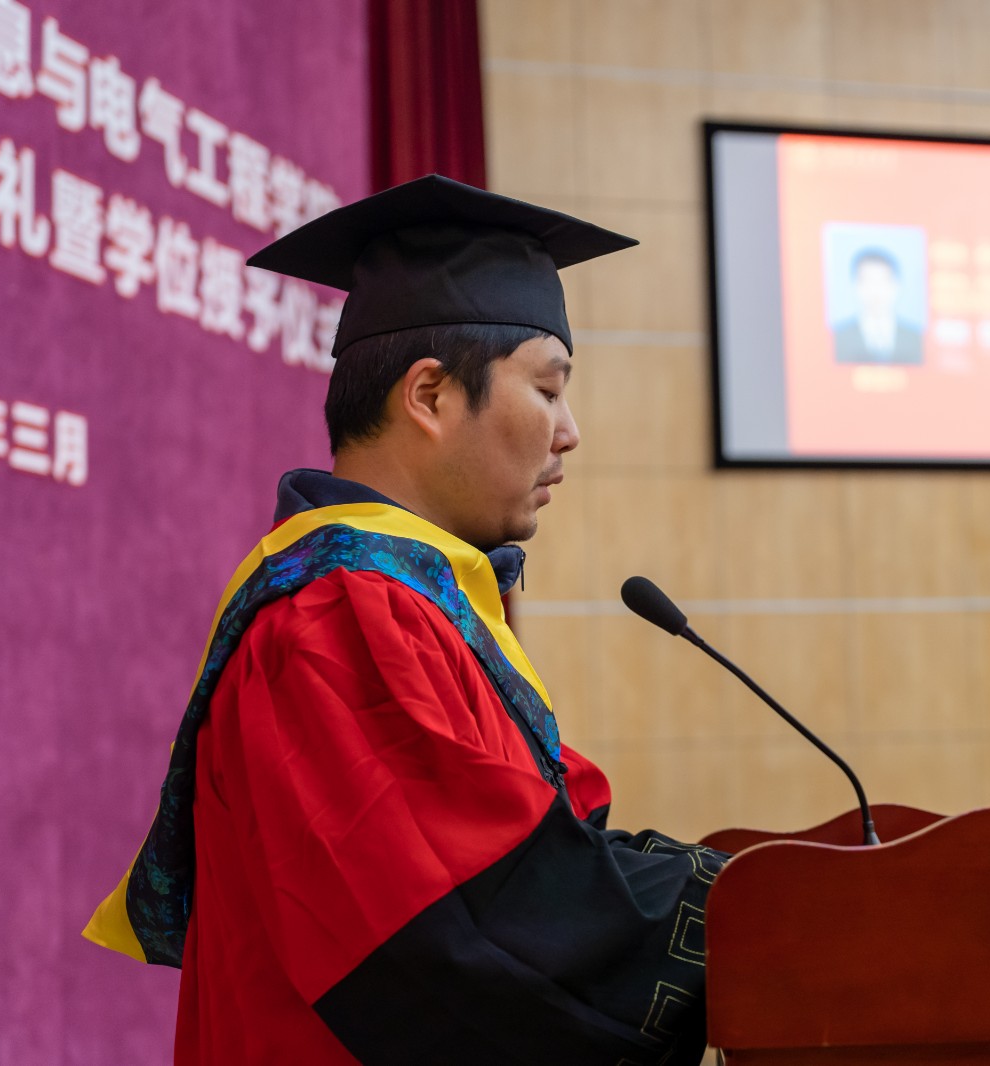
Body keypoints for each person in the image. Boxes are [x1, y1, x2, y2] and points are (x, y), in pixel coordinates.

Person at [83, 175, 726, 1065]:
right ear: (428, 396)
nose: (569, 431)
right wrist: (751, 909)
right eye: (548, 390)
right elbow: (478, 919)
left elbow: (554, 847)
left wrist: (754, 881)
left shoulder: (413, 602)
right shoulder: (340, 615)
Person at [831, 247, 925, 365]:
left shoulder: (917, 340)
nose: (875, 291)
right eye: (867, 281)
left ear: (896, 286)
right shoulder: (837, 339)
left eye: (882, 281)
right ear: (855, 286)